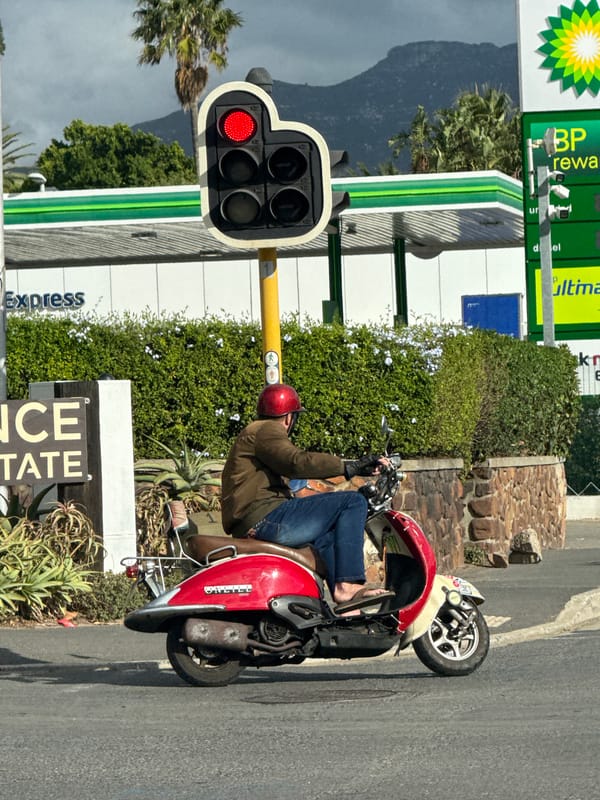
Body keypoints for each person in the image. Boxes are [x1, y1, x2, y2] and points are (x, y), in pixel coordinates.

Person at [220, 383, 394, 610]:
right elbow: (296, 462)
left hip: (256, 518)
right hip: (263, 518)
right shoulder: (266, 431)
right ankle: (346, 585)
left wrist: (355, 467)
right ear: (288, 418)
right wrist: (348, 467)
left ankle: (346, 609)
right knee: (352, 502)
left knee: (329, 531)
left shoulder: (254, 434)